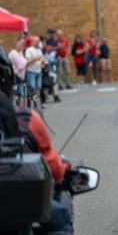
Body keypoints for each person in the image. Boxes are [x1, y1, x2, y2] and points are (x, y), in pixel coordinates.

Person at [0, 48, 73, 233]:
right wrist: (64, 167)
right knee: (59, 217)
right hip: (11, 202)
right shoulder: (25, 118)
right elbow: (53, 169)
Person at [8, 40, 28, 105]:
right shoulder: (13, 53)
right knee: (18, 94)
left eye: (23, 45)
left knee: (24, 93)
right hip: (16, 76)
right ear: (17, 46)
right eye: (21, 46)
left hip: (21, 76)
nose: (23, 47)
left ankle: (24, 108)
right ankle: (19, 108)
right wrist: (32, 59)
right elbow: (21, 65)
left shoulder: (20, 52)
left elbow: (24, 61)